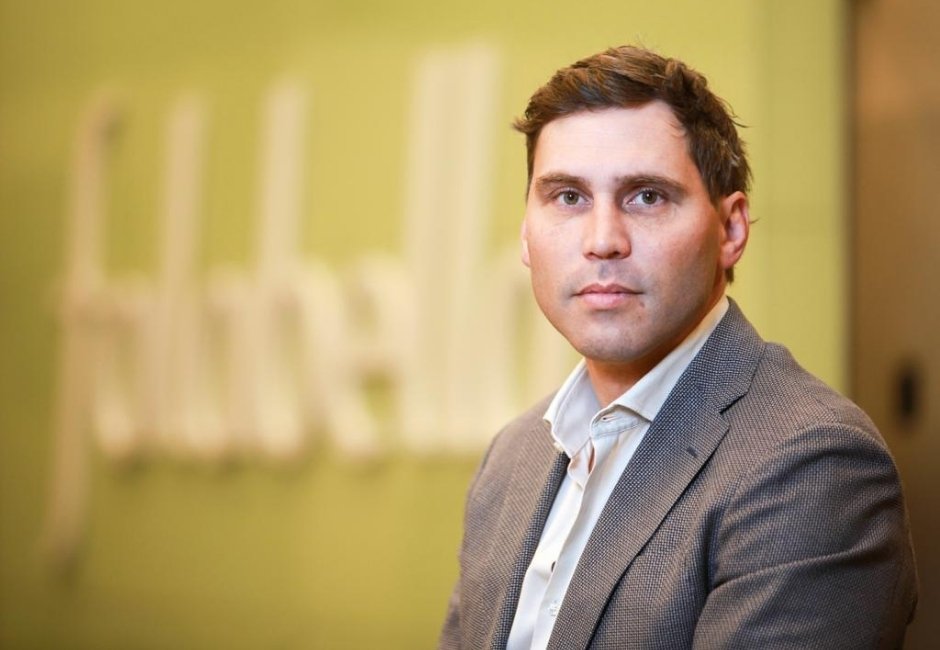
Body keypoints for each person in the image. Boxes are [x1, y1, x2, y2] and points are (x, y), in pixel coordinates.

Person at [438, 45, 917, 649]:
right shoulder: (513, 458)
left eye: (647, 196)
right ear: (526, 234)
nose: (602, 240)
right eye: (568, 197)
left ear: (730, 229)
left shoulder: (811, 464)